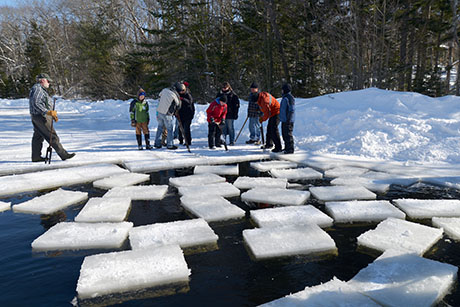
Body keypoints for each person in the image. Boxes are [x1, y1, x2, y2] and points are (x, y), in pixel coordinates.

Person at [29, 73, 75, 162]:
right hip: (41, 117)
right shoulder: (38, 89)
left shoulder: (39, 89)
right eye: (48, 81)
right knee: (52, 136)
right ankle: (63, 154)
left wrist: (52, 114)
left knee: (38, 137)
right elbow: (36, 103)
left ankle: (36, 156)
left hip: (38, 116)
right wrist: (47, 112)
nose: (49, 83)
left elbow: (42, 103)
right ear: (42, 80)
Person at [154, 82, 183, 149]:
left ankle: (157, 143)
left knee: (160, 128)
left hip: (159, 112)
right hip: (167, 114)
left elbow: (159, 95)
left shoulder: (165, 90)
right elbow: (178, 104)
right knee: (169, 129)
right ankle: (170, 145)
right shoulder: (174, 94)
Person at [176, 81, 194, 146]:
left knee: (186, 128)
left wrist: (182, 99)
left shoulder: (188, 95)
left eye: (182, 91)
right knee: (180, 128)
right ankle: (180, 140)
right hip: (180, 114)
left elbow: (190, 102)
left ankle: (188, 141)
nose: (181, 92)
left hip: (188, 114)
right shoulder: (178, 95)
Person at [279, 83, 295, 154]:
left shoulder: (289, 98)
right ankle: (286, 147)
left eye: (282, 90)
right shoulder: (285, 97)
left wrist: (288, 118)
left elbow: (291, 109)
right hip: (284, 120)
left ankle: (290, 149)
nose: (281, 91)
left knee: (288, 134)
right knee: (284, 134)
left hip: (288, 120)